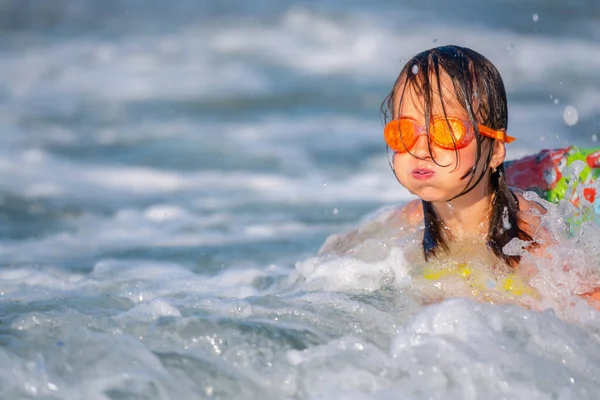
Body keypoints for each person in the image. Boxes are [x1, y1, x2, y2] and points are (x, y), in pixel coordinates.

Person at [319, 45, 600, 308]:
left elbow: (586, 300)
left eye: (447, 131)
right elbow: (336, 257)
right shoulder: (410, 218)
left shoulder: (528, 233)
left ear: (495, 152)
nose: (421, 149)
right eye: (405, 131)